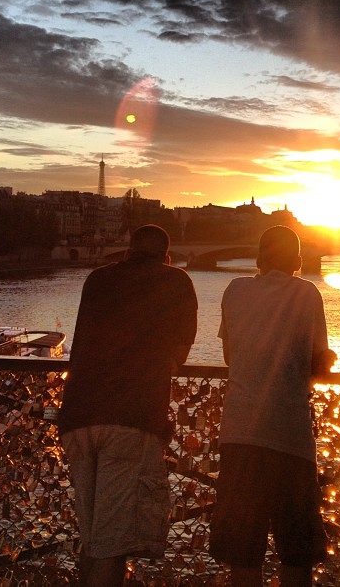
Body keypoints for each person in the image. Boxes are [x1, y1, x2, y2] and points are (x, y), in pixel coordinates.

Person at [58, 224, 198, 587]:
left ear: (127, 250)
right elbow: (177, 356)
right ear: (166, 257)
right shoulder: (176, 282)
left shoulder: (96, 279)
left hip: (76, 417)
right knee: (112, 545)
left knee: (93, 540)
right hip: (129, 420)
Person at [210, 225, 335, 587]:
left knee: (243, 552)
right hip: (290, 438)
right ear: (298, 261)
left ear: (259, 259)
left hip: (239, 435)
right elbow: (313, 363)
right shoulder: (308, 294)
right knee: (296, 553)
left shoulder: (235, 291)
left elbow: (232, 357)